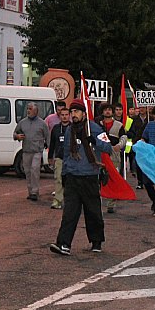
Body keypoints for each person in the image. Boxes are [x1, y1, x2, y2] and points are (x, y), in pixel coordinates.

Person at [50, 99, 113, 255]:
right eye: (72, 112)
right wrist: (64, 173)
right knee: (69, 212)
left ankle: (96, 241)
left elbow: (108, 147)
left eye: (76, 112)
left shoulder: (95, 129)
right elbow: (66, 153)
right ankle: (64, 244)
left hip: (89, 176)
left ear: (84, 113)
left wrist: (95, 142)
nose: (73, 115)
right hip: (72, 176)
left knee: (93, 211)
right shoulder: (69, 130)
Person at [13, 102, 50, 201]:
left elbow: (47, 136)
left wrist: (50, 149)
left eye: (30, 109)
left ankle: (35, 191)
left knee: (35, 170)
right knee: (28, 171)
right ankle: (30, 191)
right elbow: (15, 133)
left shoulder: (42, 123)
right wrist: (17, 136)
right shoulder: (22, 122)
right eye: (27, 109)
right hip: (26, 151)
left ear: (36, 111)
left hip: (37, 151)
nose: (28, 111)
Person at [96, 103, 127, 213]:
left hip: (113, 155)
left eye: (109, 109)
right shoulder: (97, 124)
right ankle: (97, 201)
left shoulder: (118, 125)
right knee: (98, 178)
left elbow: (124, 137)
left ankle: (111, 204)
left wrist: (119, 146)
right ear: (102, 112)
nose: (107, 112)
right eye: (105, 110)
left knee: (112, 177)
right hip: (100, 155)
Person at [48, 107, 71, 209]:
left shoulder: (73, 128)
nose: (64, 117)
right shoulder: (56, 128)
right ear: (60, 116)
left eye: (66, 115)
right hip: (59, 158)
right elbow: (52, 143)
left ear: (69, 115)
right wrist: (50, 156)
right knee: (58, 179)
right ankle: (57, 201)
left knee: (70, 181)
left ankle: (70, 202)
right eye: (62, 115)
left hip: (71, 159)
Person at [128, 106, 147, 189]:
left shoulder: (151, 119)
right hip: (138, 144)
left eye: (143, 107)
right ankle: (140, 181)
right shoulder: (134, 119)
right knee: (139, 163)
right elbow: (131, 131)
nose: (142, 109)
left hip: (148, 144)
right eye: (140, 107)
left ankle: (148, 180)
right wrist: (134, 139)